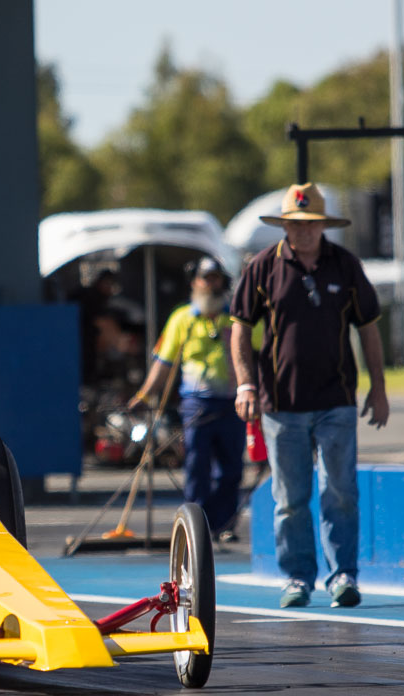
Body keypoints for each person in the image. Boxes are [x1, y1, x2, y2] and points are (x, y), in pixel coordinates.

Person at [229, 183, 389, 608]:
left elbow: (368, 328)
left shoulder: (345, 265)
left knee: (341, 491)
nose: (303, 231)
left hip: (336, 399)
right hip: (281, 405)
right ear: (284, 226)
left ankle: (343, 575)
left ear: (323, 226)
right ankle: (297, 577)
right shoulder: (263, 267)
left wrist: (378, 387)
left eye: (311, 224)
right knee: (290, 499)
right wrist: (246, 384)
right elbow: (240, 328)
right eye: (295, 224)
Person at [128, 256, 244, 538]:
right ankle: (197, 524)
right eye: (205, 279)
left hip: (231, 403)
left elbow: (260, 350)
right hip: (196, 404)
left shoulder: (236, 317)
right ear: (194, 283)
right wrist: (144, 395)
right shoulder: (183, 318)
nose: (210, 284)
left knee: (231, 468)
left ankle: (223, 523)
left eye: (215, 278)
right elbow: (164, 362)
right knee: (196, 464)